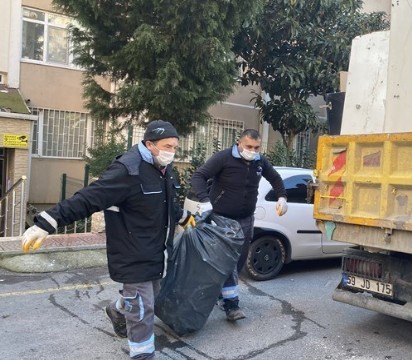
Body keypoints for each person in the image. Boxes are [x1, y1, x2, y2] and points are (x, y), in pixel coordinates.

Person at [21, 120, 195, 360]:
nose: (172, 152)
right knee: (143, 309)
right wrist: (48, 222)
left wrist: (183, 216)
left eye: (175, 147)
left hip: (156, 251)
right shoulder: (127, 170)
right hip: (133, 252)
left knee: (144, 298)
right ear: (149, 144)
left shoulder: (161, 168)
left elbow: (163, 204)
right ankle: (142, 354)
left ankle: (116, 310)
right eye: (168, 146)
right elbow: (90, 198)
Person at [190, 128, 287, 321]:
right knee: (228, 261)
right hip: (221, 218)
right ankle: (231, 305)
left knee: (240, 259)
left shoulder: (260, 162)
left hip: (245, 218)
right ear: (239, 143)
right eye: (248, 146)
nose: (252, 150)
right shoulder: (224, 158)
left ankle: (222, 292)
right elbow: (198, 176)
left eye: (256, 147)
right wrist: (204, 199)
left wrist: (282, 197)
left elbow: (275, 178)